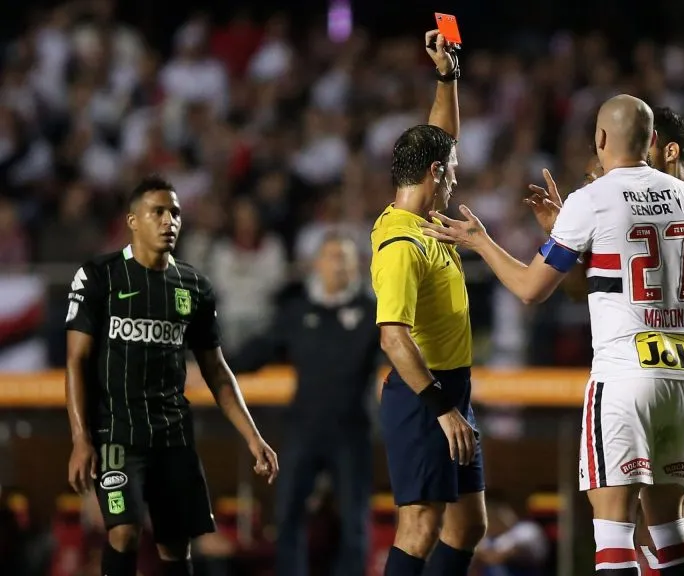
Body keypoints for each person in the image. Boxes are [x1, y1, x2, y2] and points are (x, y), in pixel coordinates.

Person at [421, 93, 684, 576]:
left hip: (624, 377)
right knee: (672, 532)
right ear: (653, 141)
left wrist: (480, 242)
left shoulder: (589, 200)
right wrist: (670, 311)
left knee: (614, 535)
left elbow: (531, 289)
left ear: (600, 139)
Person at [526, 108, 684, 576]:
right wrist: (563, 239)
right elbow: (584, 289)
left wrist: (678, 289)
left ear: (666, 148)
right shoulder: (630, 200)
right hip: (661, 371)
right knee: (656, 528)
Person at [64, 175, 279, 576]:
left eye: (175, 213)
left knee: (176, 546)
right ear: (133, 220)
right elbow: (76, 361)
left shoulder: (194, 286)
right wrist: (80, 439)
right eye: (158, 212)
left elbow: (216, 370)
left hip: (173, 437)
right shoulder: (99, 277)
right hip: (116, 436)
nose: (169, 221)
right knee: (124, 531)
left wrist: (254, 437)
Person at [369, 28, 486, 576]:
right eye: (453, 170)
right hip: (428, 397)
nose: (456, 179)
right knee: (419, 528)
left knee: (467, 526)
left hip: (451, 387)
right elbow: (392, 334)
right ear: (435, 175)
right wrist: (442, 411)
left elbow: (442, 137)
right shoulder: (399, 244)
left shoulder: (425, 220)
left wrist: (447, 76)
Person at [231, 233, 379, 576]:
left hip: (351, 430)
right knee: (287, 515)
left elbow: (401, 352)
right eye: (331, 256)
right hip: (303, 428)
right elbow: (258, 351)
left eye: (344, 257)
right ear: (317, 263)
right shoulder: (298, 312)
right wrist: (212, 366)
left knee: (355, 520)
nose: (338, 264)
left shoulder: (373, 313)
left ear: (356, 265)